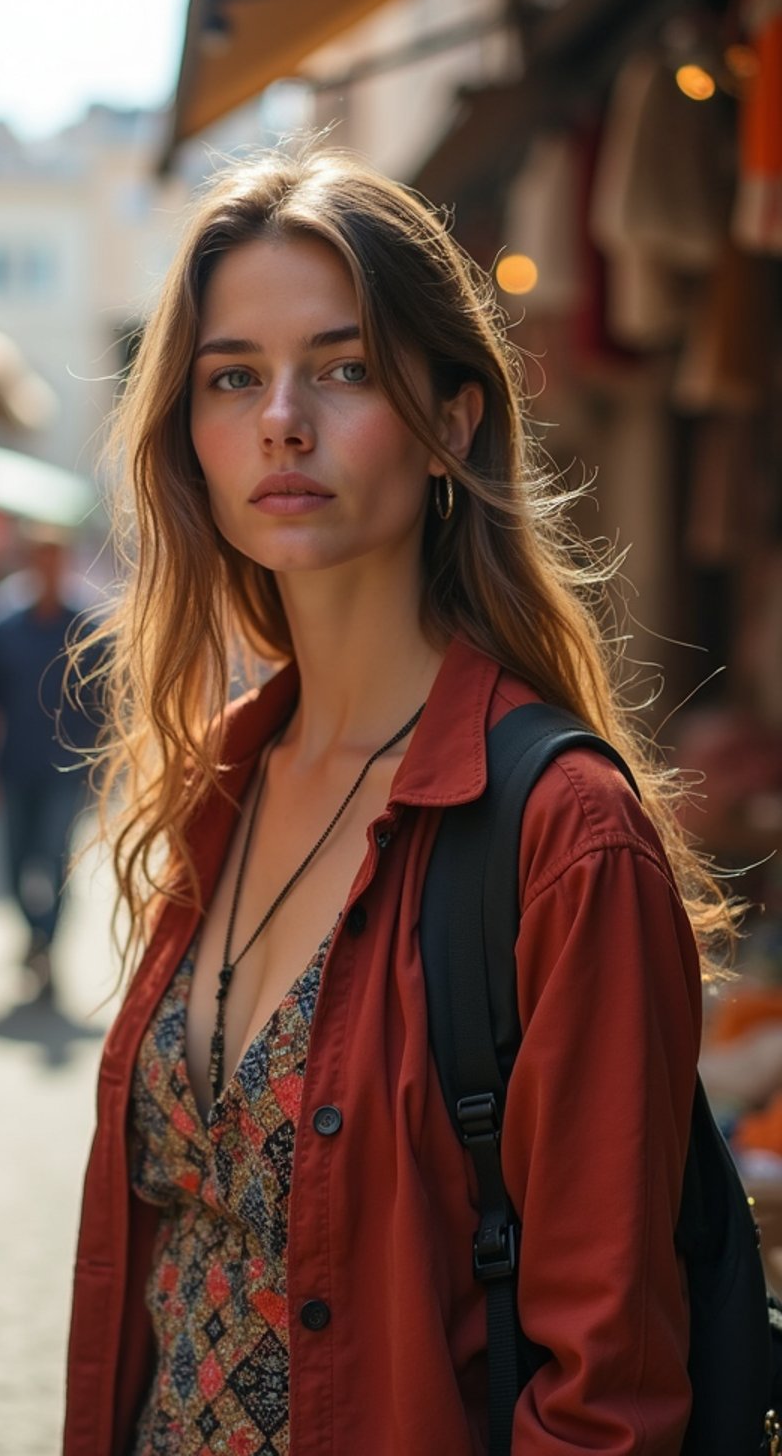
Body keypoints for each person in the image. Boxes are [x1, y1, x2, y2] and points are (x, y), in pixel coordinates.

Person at [63, 146, 737, 1455]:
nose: (282, 420)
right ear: (190, 437)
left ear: (452, 423)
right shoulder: (220, 780)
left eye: (347, 366)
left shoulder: (561, 837)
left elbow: (610, 1395)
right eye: (234, 377)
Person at [0, 529, 105, 996]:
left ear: (65, 564)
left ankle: (47, 945)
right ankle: (35, 933)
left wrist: (109, 771)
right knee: (15, 863)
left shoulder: (86, 629)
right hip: (14, 765)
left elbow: (107, 706)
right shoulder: (3, 628)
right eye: (40, 557)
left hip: (67, 770)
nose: (48, 567)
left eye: (56, 557)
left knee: (57, 858)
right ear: (28, 563)